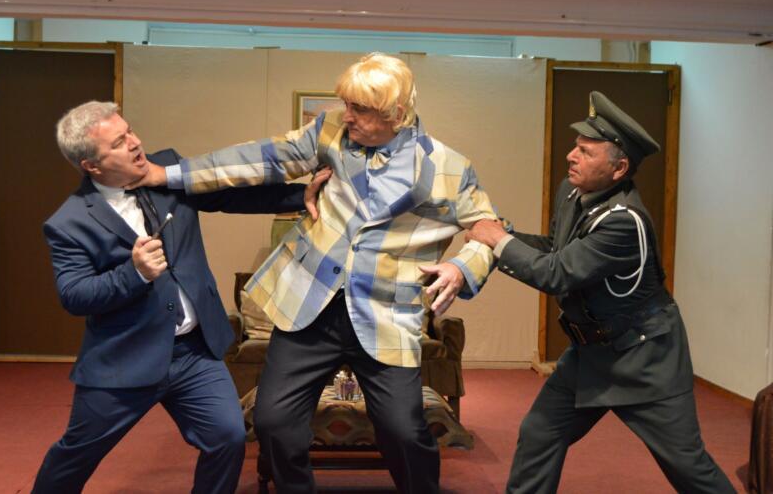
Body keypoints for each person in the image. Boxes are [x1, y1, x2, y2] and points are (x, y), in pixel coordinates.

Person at [132, 53, 499, 493]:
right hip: (310, 308)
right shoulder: (330, 132)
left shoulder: (449, 168)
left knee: (403, 430)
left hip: (384, 316)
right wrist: (169, 174)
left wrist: (462, 267)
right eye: (346, 105)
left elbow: (490, 229)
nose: (348, 116)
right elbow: (260, 158)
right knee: (273, 421)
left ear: (396, 114)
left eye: (359, 108)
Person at [32, 101, 325, 494]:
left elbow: (230, 196)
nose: (135, 142)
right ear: (92, 166)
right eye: (118, 143)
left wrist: (300, 196)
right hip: (126, 359)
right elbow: (75, 295)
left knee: (227, 437)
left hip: (194, 354)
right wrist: (134, 273)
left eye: (129, 131)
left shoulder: (166, 169)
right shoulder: (69, 222)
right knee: (76, 455)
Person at [467, 91, 734, 493]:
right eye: (575, 146)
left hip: (644, 360)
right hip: (591, 352)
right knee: (540, 433)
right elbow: (557, 250)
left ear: (618, 168)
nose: (571, 156)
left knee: (687, 466)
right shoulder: (572, 192)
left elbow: (557, 274)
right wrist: (502, 238)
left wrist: (499, 241)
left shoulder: (624, 221)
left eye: (586, 152)